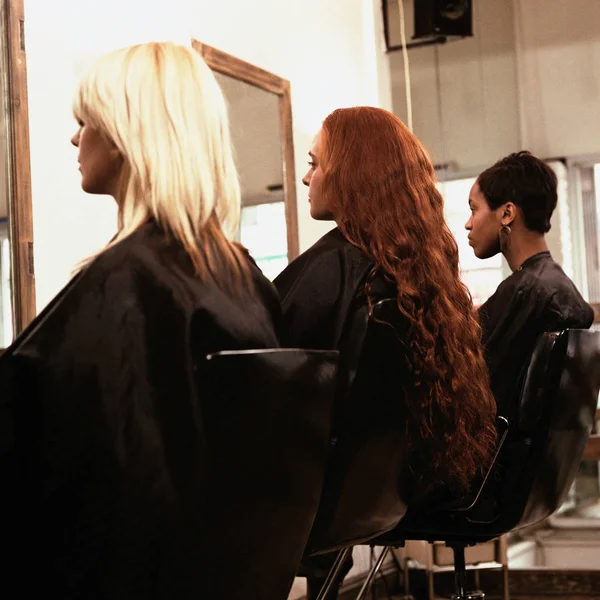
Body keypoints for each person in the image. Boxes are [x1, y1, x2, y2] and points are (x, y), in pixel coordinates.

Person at [0, 42, 285, 598]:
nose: (74, 138)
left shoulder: (132, 281)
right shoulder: (239, 276)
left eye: (85, 122)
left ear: (126, 134)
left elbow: (65, 455)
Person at [274, 106, 497, 599]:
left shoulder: (333, 274)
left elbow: (271, 396)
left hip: (306, 501)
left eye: (316, 163)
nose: (308, 177)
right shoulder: (408, 279)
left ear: (352, 175)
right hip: (376, 501)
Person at [465, 151, 594, 422]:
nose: (468, 224)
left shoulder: (524, 292)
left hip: (497, 459)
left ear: (507, 213)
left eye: (474, 209)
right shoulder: (559, 287)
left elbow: (464, 382)